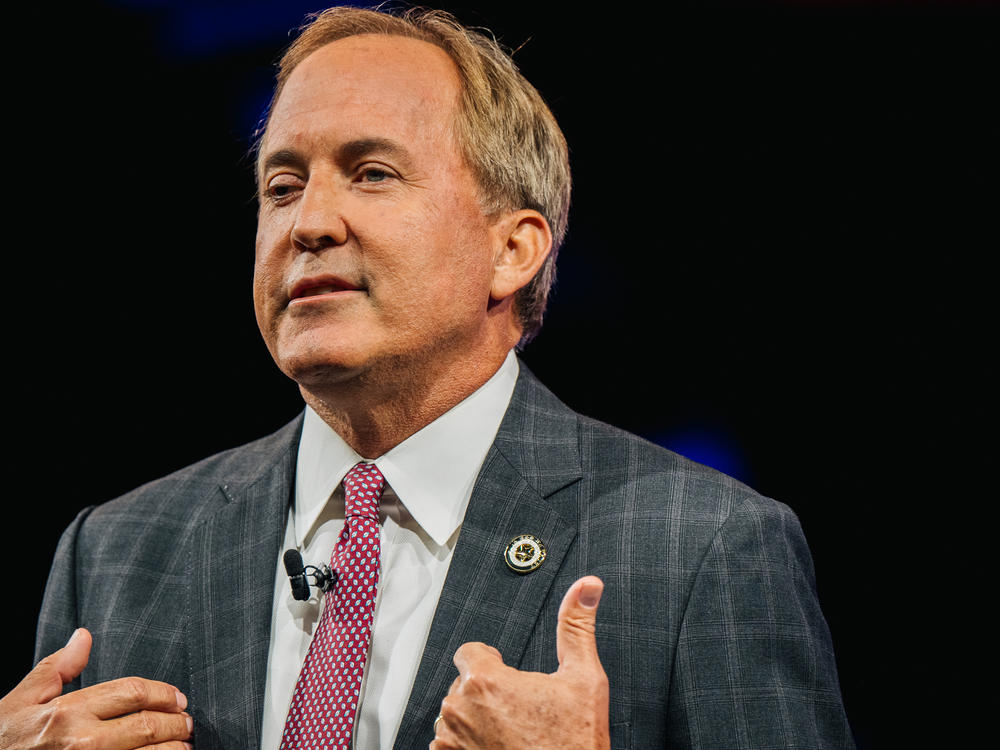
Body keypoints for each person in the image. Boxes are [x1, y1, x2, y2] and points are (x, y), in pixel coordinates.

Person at [0, 6, 853, 749]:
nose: (310, 222)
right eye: (282, 184)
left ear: (511, 249)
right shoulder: (113, 552)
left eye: (372, 173)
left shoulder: (701, 547)